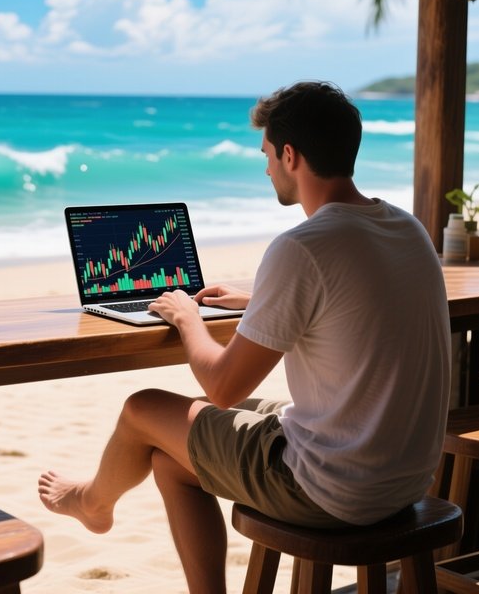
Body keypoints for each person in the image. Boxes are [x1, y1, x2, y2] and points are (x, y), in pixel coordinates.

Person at [38, 81, 450, 594]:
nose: (266, 169)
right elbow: (354, 302)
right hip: (406, 477)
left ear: (290, 154)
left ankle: (93, 503)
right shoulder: (406, 228)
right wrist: (259, 301)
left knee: (142, 409)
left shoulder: (303, 247)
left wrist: (187, 316)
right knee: (174, 446)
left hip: (334, 489)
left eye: (267, 156)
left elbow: (223, 389)